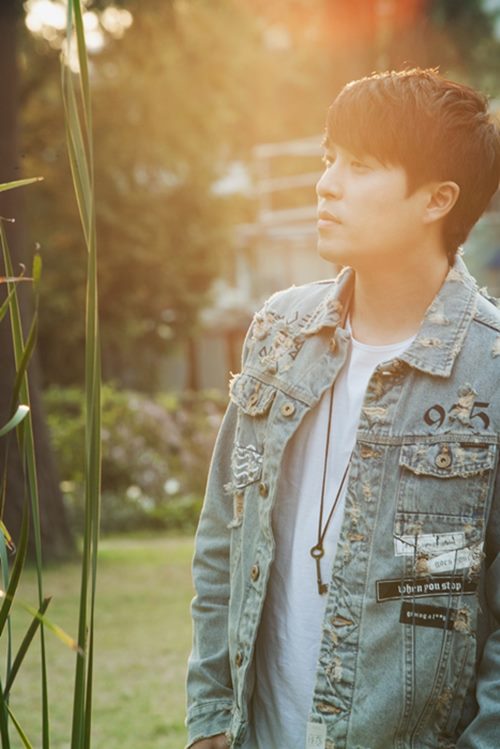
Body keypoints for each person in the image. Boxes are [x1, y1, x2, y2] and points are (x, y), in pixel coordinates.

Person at [185, 68, 500, 749]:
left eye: (360, 166)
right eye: (329, 158)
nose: (326, 184)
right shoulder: (280, 331)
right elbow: (223, 539)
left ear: (438, 199)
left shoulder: (491, 370)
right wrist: (210, 717)